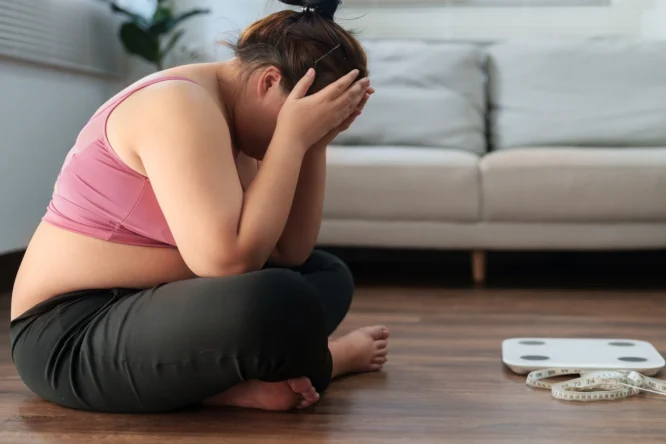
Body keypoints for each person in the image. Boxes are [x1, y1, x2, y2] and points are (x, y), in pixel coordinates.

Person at [9, 0, 388, 413]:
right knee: (281, 299)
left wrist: (315, 141)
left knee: (325, 273)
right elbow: (228, 263)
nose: (303, 129)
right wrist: (292, 139)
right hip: (70, 334)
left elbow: (288, 251)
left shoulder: (238, 112)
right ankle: (326, 362)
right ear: (269, 81)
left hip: (152, 309)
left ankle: (222, 386)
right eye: (304, 116)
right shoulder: (178, 105)